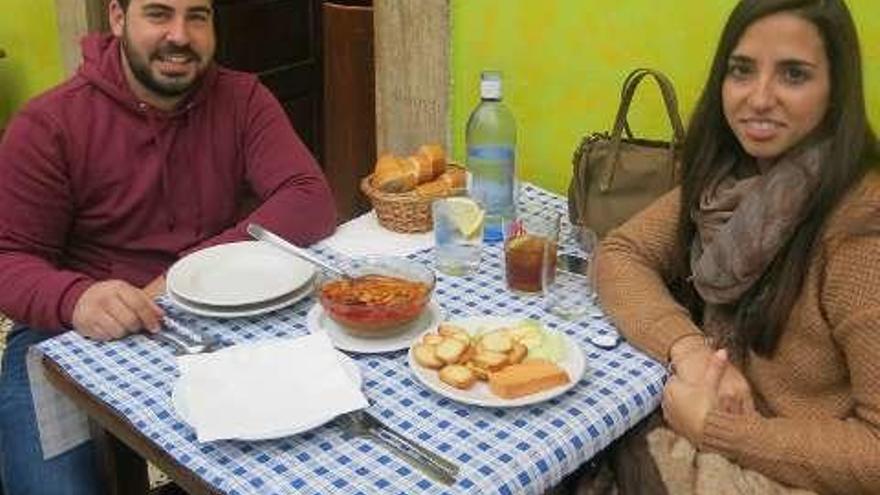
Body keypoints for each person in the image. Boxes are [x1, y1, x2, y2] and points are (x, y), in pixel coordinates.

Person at [0, 0, 337, 492]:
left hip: (214, 317)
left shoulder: (242, 98)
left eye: (197, 16)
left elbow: (309, 197)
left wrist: (187, 273)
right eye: (158, 14)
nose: (180, 35)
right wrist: (75, 298)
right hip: (72, 336)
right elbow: (8, 257)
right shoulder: (48, 124)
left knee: (298, 460)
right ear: (117, 19)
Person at [592, 0, 880, 493]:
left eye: (793, 74)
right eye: (742, 70)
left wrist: (721, 431)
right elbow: (620, 254)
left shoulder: (860, 231)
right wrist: (692, 351)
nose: (759, 98)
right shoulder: (730, 179)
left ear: (837, 90)